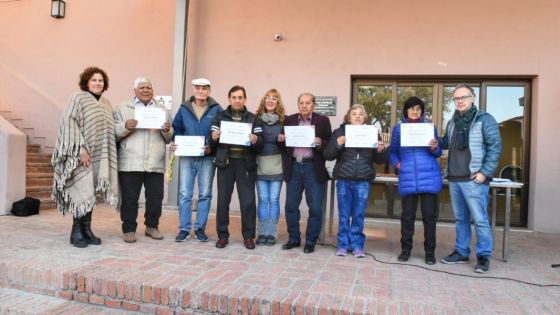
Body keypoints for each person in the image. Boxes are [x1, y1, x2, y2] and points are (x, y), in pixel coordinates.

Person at [51, 66, 119, 248]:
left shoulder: (106, 103)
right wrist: (80, 148)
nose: (98, 83)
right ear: (86, 82)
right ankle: (76, 231)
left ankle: (87, 229)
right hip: (81, 155)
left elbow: (109, 130)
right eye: (94, 80)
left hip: (99, 154)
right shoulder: (77, 98)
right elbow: (69, 121)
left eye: (101, 80)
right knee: (81, 188)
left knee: (91, 192)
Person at [441, 84, 502, 273]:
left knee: (480, 219)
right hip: (455, 178)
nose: (460, 101)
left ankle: (483, 256)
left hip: (474, 179)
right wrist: (433, 141)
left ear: (473, 98)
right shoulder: (452, 122)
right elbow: (445, 143)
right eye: (456, 98)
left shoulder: (485, 119)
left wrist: (485, 172)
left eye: (463, 97)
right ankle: (461, 251)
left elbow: (495, 147)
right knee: (461, 219)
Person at [113, 77, 173, 243]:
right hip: (130, 160)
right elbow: (114, 132)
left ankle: (152, 227)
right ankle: (129, 229)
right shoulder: (122, 107)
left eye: (149, 87)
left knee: (156, 197)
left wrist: (167, 130)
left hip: (155, 161)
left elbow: (169, 137)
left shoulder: (162, 110)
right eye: (142, 88)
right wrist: (125, 126)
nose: (146, 90)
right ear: (135, 91)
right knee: (130, 198)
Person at [324, 104, 387, 258]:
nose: (357, 116)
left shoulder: (372, 132)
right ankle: (343, 245)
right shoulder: (339, 132)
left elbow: (379, 160)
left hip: (363, 180)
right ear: (348, 117)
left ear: (364, 117)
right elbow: (328, 155)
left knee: (358, 215)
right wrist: (338, 144)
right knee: (344, 215)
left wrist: (381, 150)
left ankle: (357, 246)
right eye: (354, 114)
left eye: (361, 113)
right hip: (344, 179)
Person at [389, 97, 442, 265]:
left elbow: (438, 152)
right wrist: (398, 164)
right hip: (408, 177)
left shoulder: (430, 128)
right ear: (406, 111)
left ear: (422, 111)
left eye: (418, 109)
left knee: (429, 217)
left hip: (429, 177)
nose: (415, 111)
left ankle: (430, 252)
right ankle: (405, 250)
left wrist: (434, 147)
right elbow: (392, 152)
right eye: (412, 108)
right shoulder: (398, 129)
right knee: (407, 217)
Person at [210, 85, 263, 249]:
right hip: (225, 163)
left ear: (245, 99)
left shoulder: (254, 119)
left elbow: (260, 143)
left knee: (247, 202)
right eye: (234, 97)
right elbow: (212, 143)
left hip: (245, 164)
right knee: (223, 201)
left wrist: (256, 139)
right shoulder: (219, 116)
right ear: (229, 99)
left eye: (240, 97)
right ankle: (222, 236)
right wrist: (213, 137)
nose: (237, 100)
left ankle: (248, 236)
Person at [278, 93, 332, 254]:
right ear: (298, 104)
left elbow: (330, 145)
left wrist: (321, 143)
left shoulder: (322, 121)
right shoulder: (289, 120)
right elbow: (283, 147)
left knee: (315, 207)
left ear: (313, 105)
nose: (304, 105)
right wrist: (280, 140)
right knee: (291, 206)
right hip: (294, 166)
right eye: (301, 102)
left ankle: (310, 240)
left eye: (307, 103)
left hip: (312, 168)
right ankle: (294, 238)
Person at [172, 78, 223, 242]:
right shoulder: (184, 109)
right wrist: (177, 143)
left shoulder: (217, 109)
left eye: (204, 88)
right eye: (198, 88)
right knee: (185, 194)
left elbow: (221, 132)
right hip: (187, 157)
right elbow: (176, 129)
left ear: (209, 91)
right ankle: (184, 229)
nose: (201, 91)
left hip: (207, 158)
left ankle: (200, 228)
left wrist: (210, 145)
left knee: (205, 194)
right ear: (193, 90)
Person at [254, 89, 286, 246]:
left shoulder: (284, 122)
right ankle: (262, 233)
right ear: (264, 101)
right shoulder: (256, 120)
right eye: (268, 98)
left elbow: (289, 146)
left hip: (277, 165)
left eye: (274, 98)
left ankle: (271, 233)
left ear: (278, 102)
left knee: (273, 200)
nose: (271, 100)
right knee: (262, 200)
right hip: (260, 164)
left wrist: (283, 140)